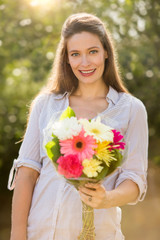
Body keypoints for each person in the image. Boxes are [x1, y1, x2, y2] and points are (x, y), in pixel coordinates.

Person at [8, 13, 148, 240]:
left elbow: (135, 180)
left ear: (106, 53)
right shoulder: (46, 105)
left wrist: (107, 199)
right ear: (67, 59)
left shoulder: (131, 109)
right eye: (75, 54)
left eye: (92, 51)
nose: (85, 63)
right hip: (41, 234)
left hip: (101, 234)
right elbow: (26, 174)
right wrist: (17, 236)